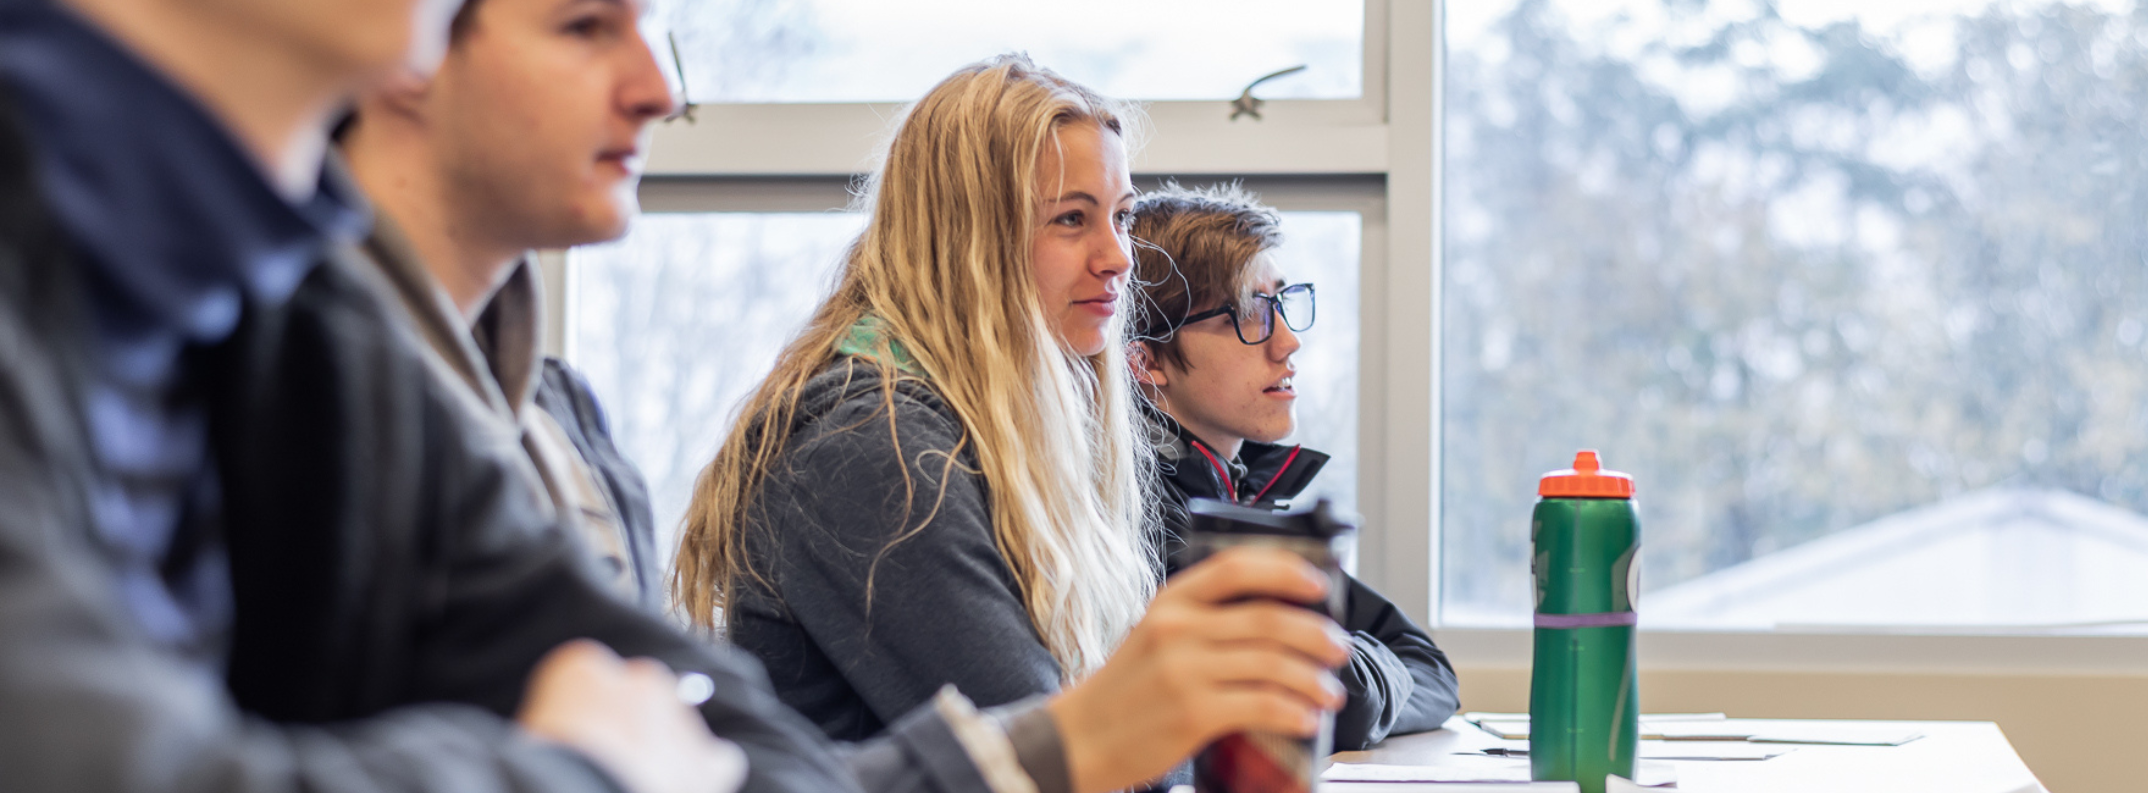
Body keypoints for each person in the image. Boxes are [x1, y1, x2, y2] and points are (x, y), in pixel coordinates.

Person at [0, 0, 1347, 791]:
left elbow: (712, 743)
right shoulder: (870, 438)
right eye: (586, 21)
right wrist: (584, 770)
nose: (658, 86)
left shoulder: (297, 304)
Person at [674, 56, 1343, 774]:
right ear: (968, 238)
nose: (1119, 256)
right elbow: (1061, 756)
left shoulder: (994, 428)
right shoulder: (870, 446)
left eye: (1119, 217)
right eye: (1071, 219)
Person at [337, 0, 671, 605]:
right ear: (411, 36)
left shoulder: (557, 424)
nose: (658, 93)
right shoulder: (277, 394)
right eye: (585, 27)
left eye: (645, 29)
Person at [1124, 183, 1460, 750]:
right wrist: (1350, 673)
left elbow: (1429, 667)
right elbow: (1334, 702)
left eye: (1282, 303)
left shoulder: (1238, 494)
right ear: (1148, 360)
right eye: (1250, 313)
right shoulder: (1142, 511)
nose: (1288, 341)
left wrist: (1349, 672)